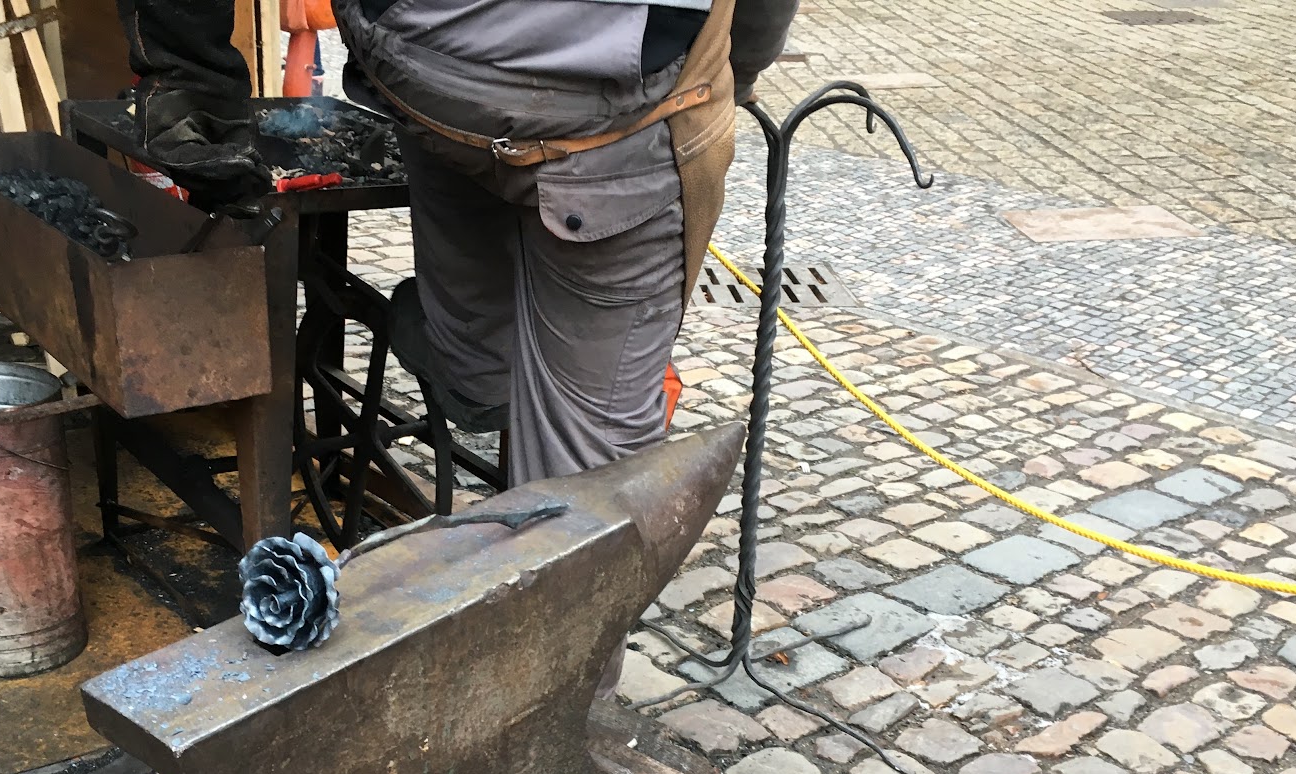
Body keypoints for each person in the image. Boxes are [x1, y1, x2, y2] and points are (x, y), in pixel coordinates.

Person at [117, 0, 795, 485]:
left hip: (421, 67)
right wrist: (734, 68)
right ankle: (497, 384)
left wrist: (191, 76)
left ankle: (472, 365)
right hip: (615, 107)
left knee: (474, 307)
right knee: (590, 473)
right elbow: (744, 40)